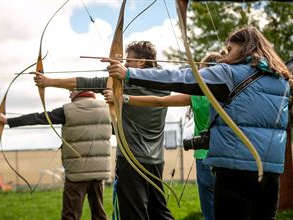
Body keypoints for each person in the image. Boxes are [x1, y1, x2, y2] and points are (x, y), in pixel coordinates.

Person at [104, 27, 291, 220]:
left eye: (230, 49)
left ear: (244, 48)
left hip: (235, 171)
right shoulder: (281, 78)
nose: (225, 56)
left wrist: (129, 73)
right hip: (270, 173)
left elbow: (181, 77)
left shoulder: (228, 73)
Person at [34, 41, 174, 220]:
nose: (124, 65)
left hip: (132, 161)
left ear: (142, 62)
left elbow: (88, 83)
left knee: (134, 213)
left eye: (128, 60)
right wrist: (49, 82)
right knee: (159, 211)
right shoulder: (164, 83)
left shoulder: (127, 86)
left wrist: (48, 81)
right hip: (156, 160)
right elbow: (86, 82)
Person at [103, 52, 222, 220]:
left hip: (205, 157)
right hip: (230, 158)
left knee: (210, 213)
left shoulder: (199, 96)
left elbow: (160, 101)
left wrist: (123, 98)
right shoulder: (233, 93)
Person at [0, 90, 111, 220]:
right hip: (99, 173)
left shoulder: (68, 110)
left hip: (76, 173)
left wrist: (7, 120)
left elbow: (38, 117)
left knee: (70, 215)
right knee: (99, 214)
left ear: (79, 92)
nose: (69, 95)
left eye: (71, 92)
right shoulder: (106, 109)